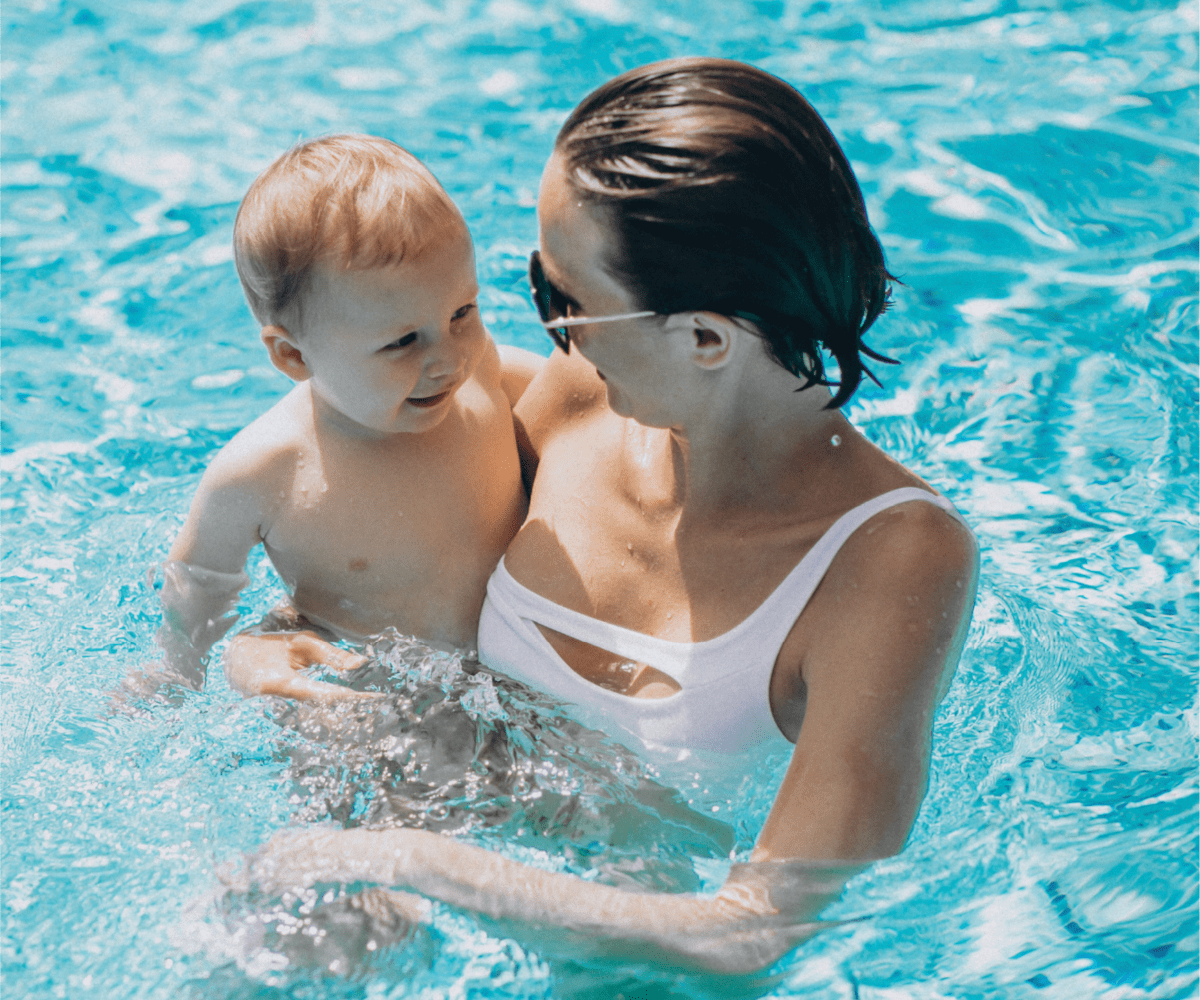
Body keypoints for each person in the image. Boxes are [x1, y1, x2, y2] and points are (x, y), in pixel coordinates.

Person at [230, 58, 979, 973]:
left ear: (704, 337)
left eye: (563, 302)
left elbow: (758, 931)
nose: (536, 331)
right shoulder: (580, 400)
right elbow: (391, 545)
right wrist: (285, 635)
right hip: (408, 875)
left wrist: (410, 861)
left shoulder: (890, 562)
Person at [138, 134, 542, 699]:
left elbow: (571, 410)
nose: (449, 357)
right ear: (294, 356)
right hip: (373, 692)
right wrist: (174, 675)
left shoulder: (481, 369)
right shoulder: (265, 471)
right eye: (403, 342)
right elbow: (199, 585)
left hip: (521, 667)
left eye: (462, 312)